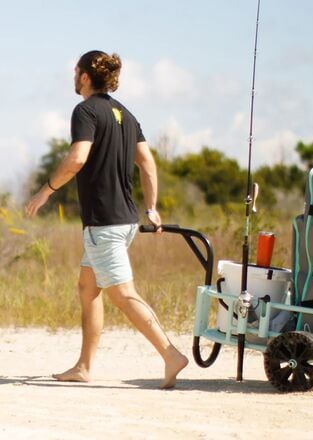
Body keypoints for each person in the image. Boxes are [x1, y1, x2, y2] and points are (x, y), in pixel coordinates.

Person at [25, 50, 188, 389]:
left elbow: (77, 158)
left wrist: (46, 191)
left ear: (85, 76)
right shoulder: (124, 114)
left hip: (104, 224)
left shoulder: (85, 110)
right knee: (88, 288)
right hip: (123, 220)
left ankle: (171, 355)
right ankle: (84, 366)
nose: (74, 76)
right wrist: (151, 207)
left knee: (123, 294)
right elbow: (148, 163)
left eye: (76, 71)